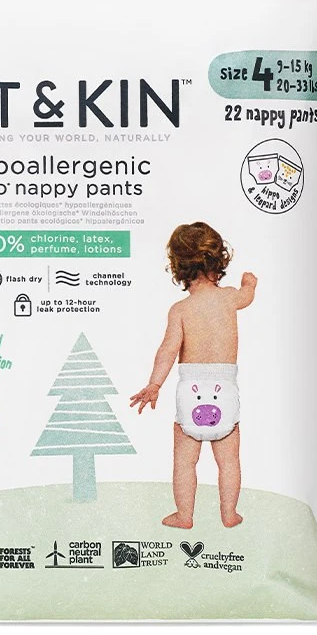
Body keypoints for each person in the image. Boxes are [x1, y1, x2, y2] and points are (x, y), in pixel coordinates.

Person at [129, 221, 257, 528]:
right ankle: (229, 514)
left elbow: (167, 350)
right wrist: (250, 284)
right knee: (229, 462)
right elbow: (247, 296)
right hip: (224, 391)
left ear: (178, 268)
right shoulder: (230, 298)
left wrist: (154, 384)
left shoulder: (180, 310)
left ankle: (184, 515)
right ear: (218, 261)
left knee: (185, 462)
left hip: (191, 392)